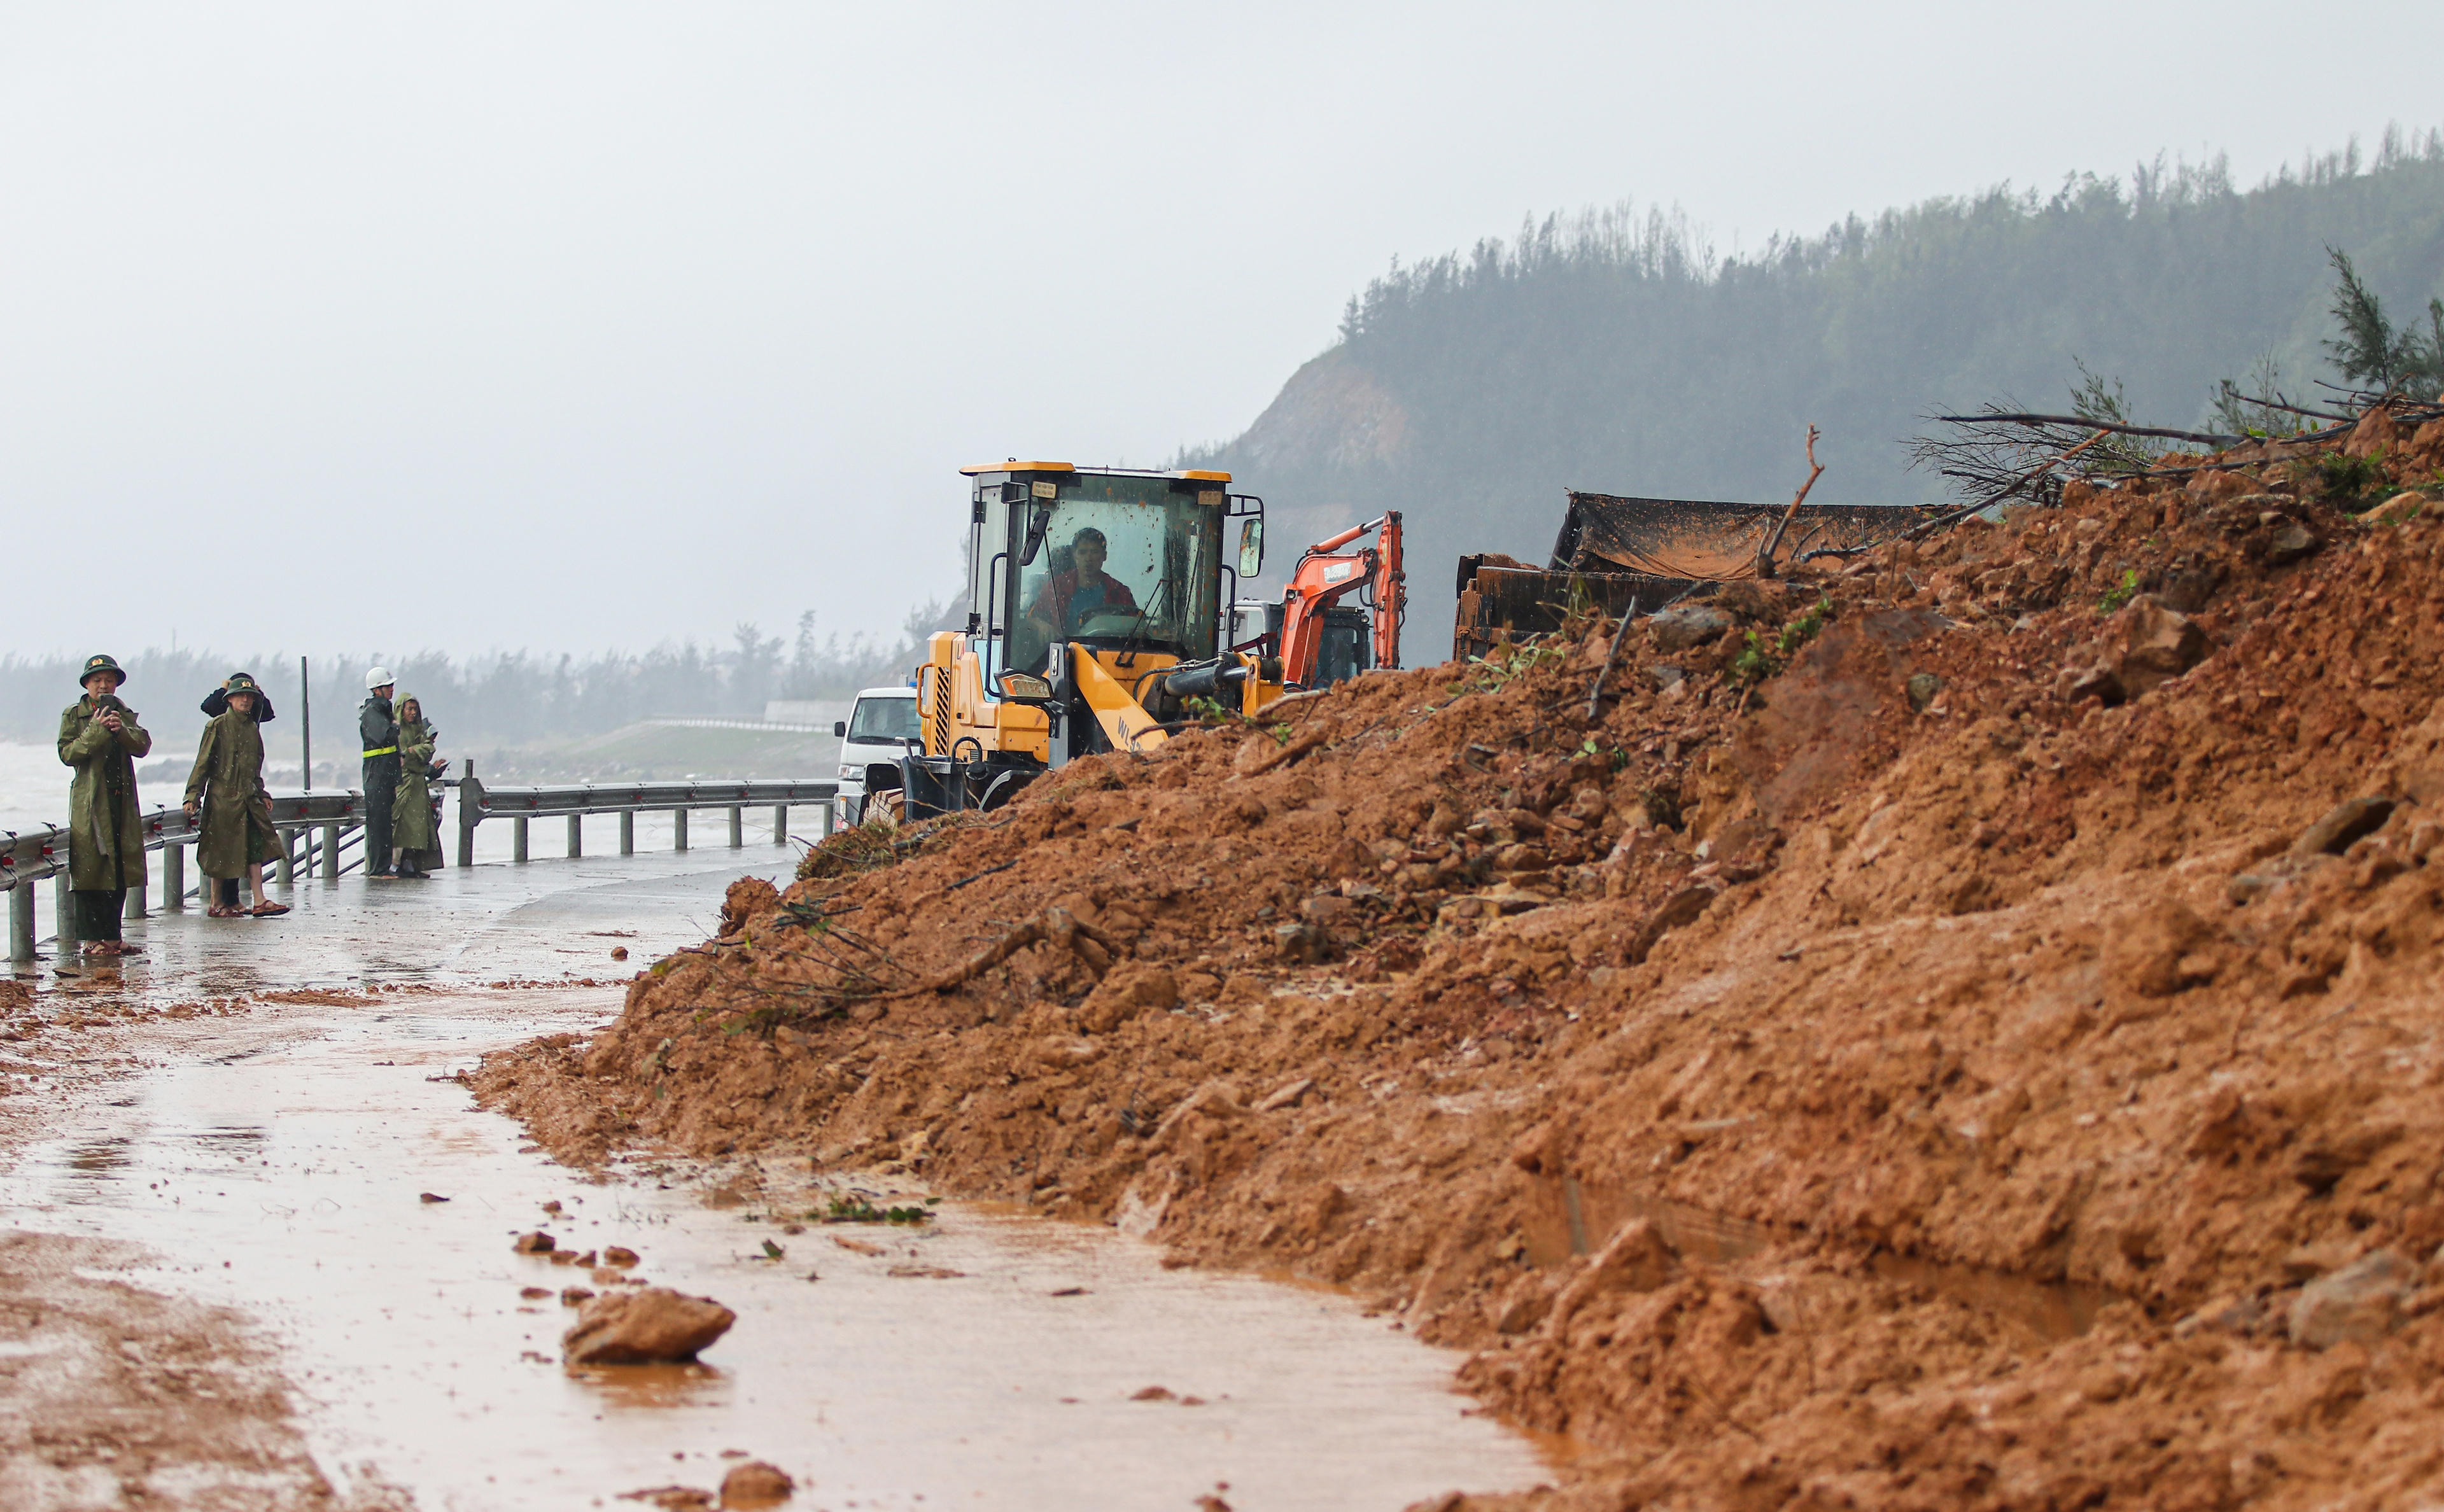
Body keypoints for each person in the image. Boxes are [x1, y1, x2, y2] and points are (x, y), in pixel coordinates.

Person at [56, 654, 152, 957]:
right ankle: (92, 939)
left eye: (108, 680)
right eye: (97, 680)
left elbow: (143, 746)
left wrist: (120, 729)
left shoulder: (123, 712)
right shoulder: (75, 715)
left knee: (120, 868)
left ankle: (112, 937)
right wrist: (97, 731)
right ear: (86, 684)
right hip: (90, 803)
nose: (103, 685)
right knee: (90, 869)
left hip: (121, 802)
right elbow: (68, 753)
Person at [184, 673, 287, 918]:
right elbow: (203, 763)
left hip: (248, 798)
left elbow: (256, 766)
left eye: (250, 696)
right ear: (229, 699)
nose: (246, 700)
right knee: (220, 851)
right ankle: (217, 903)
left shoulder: (252, 728)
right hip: (222, 798)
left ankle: (259, 900)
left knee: (254, 848)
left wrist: (262, 792)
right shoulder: (217, 725)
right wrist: (192, 795)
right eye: (240, 695)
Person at [1026, 527, 1139, 638]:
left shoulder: (1119, 592)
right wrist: (1042, 625)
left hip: (1108, 653)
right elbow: (1032, 618)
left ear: (1104, 556)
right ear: (1075, 556)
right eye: (1082, 552)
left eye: (1094, 552)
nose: (1088, 558)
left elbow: (1137, 628)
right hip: (1062, 652)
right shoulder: (1056, 588)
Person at [389, 695, 442, 879]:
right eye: (409, 709)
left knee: (418, 829)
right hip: (404, 786)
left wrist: (418, 752)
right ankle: (395, 864)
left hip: (419, 787)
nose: (412, 713)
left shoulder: (418, 730)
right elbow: (406, 760)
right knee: (401, 828)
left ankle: (412, 863)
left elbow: (424, 753)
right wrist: (417, 752)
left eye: (415, 709)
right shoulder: (396, 731)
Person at [360, 668, 400, 878]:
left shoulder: (382, 710)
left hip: (385, 776)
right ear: (377, 690)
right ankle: (378, 868)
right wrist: (395, 727)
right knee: (378, 826)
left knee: (384, 825)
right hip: (377, 777)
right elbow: (385, 736)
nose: (392, 689)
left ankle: (383, 867)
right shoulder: (373, 712)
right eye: (388, 686)